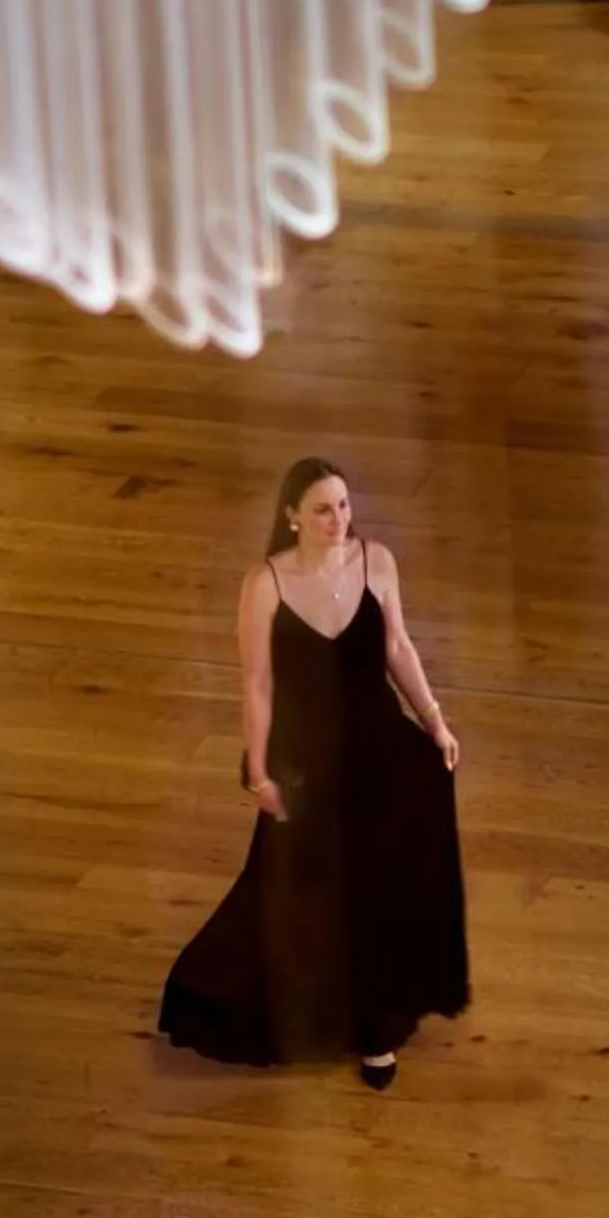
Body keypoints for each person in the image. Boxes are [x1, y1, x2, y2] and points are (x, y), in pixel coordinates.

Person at [158, 458, 470, 1086]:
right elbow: (258, 684)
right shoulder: (265, 584)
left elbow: (397, 647)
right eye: (323, 509)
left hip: (380, 753)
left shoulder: (376, 562)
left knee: (378, 891)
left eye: (345, 506)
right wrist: (259, 768)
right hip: (308, 761)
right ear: (292, 515)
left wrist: (435, 721)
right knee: (297, 890)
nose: (338, 520)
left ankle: (378, 1032)